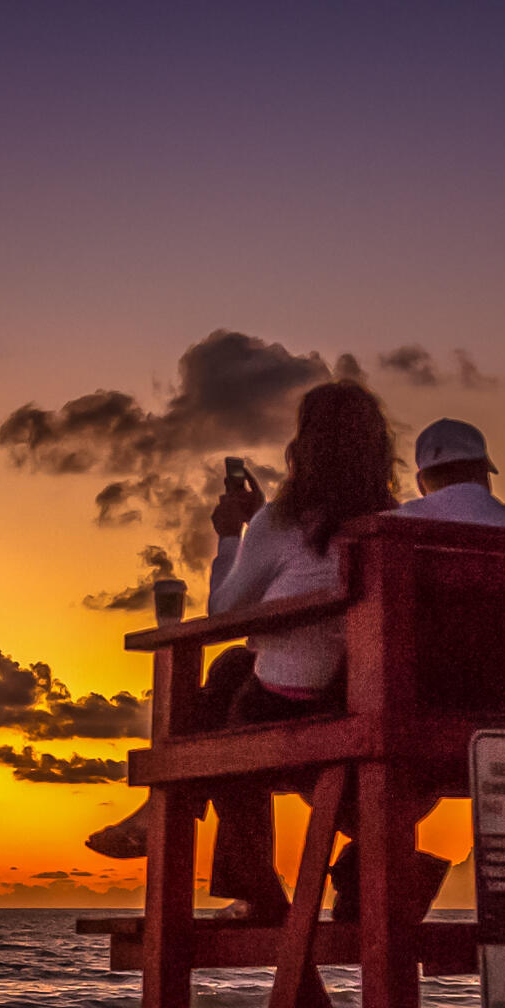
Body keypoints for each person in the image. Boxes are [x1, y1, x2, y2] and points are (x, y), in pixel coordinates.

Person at [85, 380, 451, 923]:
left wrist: (235, 533)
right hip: (371, 699)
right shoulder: (398, 525)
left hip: (306, 707)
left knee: (230, 721)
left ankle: (229, 864)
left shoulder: (280, 523)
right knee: (235, 671)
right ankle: (203, 837)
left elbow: (224, 611)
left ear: (304, 449)